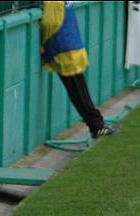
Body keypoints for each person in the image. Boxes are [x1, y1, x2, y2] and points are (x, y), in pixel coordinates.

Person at [40, 1, 121, 138]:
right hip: (64, 47)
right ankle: (96, 125)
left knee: (79, 89)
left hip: (69, 46)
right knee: (78, 90)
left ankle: (97, 124)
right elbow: (50, 23)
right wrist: (45, 44)